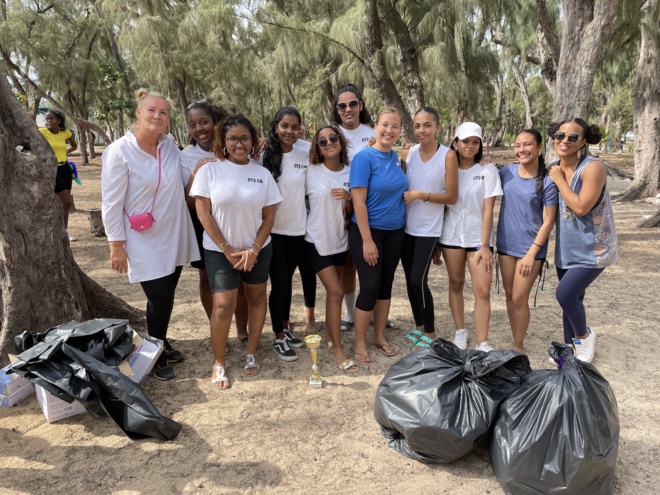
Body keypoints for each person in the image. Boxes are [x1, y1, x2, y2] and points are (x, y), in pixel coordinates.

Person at [102, 89, 199, 381]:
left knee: (167, 294)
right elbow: (111, 202)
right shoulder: (119, 150)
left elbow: (184, 184)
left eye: (163, 112)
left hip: (174, 232)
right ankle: (154, 353)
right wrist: (116, 245)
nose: (157, 116)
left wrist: (202, 169)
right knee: (158, 296)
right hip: (141, 238)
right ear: (139, 113)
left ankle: (162, 340)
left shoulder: (169, 145)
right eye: (152, 110)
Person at [190, 114, 281, 388]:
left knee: (255, 298)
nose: (239, 144)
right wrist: (228, 250)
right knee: (222, 306)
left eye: (244, 138)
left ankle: (251, 352)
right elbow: (203, 214)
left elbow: (269, 217)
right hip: (220, 251)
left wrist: (253, 249)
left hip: (258, 250)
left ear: (252, 140)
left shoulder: (262, 174)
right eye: (233, 139)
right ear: (223, 141)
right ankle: (219, 363)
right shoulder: (209, 171)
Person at [548, 118, 617, 363]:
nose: (564, 141)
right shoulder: (554, 167)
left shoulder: (592, 167)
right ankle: (569, 353)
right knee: (573, 300)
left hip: (593, 249)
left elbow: (580, 207)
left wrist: (558, 179)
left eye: (573, 137)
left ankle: (584, 336)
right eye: (560, 135)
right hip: (566, 249)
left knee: (565, 295)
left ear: (584, 141)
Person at [349, 107, 407, 363]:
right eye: (385, 125)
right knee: (370, 286)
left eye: (395, 126)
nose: (389, 130)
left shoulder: (396, 158)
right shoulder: (364, 158)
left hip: (395, 232)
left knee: (385, 285)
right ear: (375, 126)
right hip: (368, 232)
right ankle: (359, 341)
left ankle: (379, 336)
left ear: (399, 131)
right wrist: (367, 240)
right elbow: (358, 202)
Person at [261, 107, 319, 361]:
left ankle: (284, 327)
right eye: (285, 126)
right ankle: (277, 338)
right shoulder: (262, 154)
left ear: (301, 129)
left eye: (295, 127)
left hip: (298, 229)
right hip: (272, 231)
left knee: (288, 285)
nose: (289, 131)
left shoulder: (304, 152)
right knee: (280, 284)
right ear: (276, 127)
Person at [438, 122, 502, 352]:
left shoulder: (488, 170)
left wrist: (484, 245)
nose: (471, 146)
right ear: (455, 142)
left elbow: (488, 210)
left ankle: (482, 342)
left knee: (482, 291)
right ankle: (460, 331)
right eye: (465, 141)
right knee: (455, 284)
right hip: (451, 236)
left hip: (478, 240)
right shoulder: (446, 168)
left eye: (476, 142)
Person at [400, 107, 458, 351]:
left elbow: (452, 197)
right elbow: (402, 182)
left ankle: (431, 332)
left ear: (437, 127)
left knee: (418, 279)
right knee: (409, 281)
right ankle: (419, 326)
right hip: (406, 227)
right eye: (417, 126)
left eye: (426, 125)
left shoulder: (447, 156)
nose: (421, 130)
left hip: (428, 229)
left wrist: (421, 196)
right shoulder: (410, 153)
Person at [497, 129, 558, 352]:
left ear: (539, 147)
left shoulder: (548, 181)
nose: (521, 149)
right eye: (517, 145)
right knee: (510, 295)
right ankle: (515, 340)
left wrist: (532, 254)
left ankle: (519, 346)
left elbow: (548, 221)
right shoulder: (507, 171)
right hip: (505, 245)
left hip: (530, 249)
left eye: (527, 144)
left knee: (520, 297)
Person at [305, 125, 358, 372]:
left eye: (333, 138)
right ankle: (337, 350)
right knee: (336, 292)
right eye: (322, 141)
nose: (328, 143)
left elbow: (356, 207)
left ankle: (329, 335)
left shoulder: (351, 171)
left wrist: (349, 198)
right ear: (317, 147)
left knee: (333, 296)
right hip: (316, 240)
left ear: (341, 142)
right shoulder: (309, 171)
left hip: (341, 240)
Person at [181, 101, 228, 322]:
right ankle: (215, 325)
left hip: (233, 219)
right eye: (192, 125)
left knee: (240, 279)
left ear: (216, 122)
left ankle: (242, 331)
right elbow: (188, 203)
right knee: (207, 277)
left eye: (204, 122)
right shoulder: (186, 155)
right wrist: (196, 173)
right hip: (201, 223)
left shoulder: (233, 146)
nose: (199, 129)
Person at [39, 110, 78, 240]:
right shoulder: (42, 132)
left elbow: (74, 145)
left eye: (52, 118)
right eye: (47, 119)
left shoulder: (65, 133)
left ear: (59, 120)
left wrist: (66, 151)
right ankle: (59, 230)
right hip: (52, 170)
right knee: (66, 203)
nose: (49, 121)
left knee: (65, 204)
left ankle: (64, 232)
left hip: (65, 169)